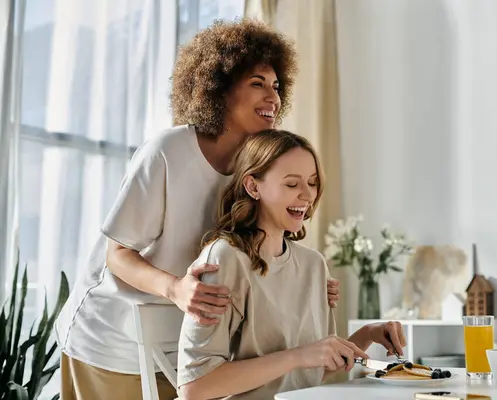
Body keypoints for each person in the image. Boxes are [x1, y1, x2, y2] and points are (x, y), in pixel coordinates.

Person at [54, 19, 339, 400]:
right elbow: (118, 255)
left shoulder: (253, 168)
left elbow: (243, 255)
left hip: (186, 346)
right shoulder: (168, 152)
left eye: (276, 86)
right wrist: (174, 288)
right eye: (257, 83)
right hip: (111, 340)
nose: (272, 96)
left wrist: (303, 284)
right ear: (219, 88)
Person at [177, 130, 407, 400]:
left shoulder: (313, 264)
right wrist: (297, 356)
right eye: (291, 184)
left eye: (312, 183)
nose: (307, 195)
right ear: (253, 187)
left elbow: (309, 372)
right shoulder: (225, 258)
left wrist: (369, 333)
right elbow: (195, 388)